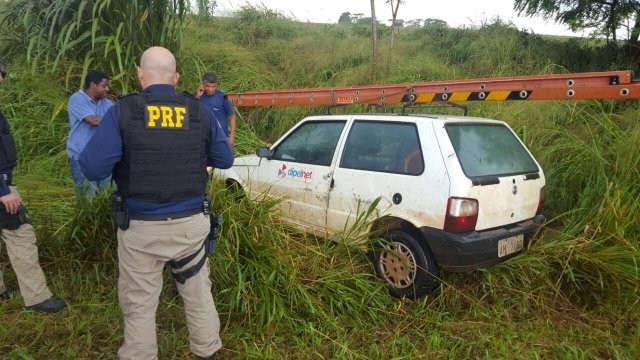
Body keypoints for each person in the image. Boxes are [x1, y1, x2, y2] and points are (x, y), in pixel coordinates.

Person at [79, 46, 234, 360]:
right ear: (177, 78)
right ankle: (208, 353)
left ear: (139, 74)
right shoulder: (198, 110)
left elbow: (93, 168)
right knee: (199, 296)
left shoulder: (123, 111)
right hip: (191, 228)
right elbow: (225, 158)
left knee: (139, 303)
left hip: (140, 232)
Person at [0, 60, 66, 313]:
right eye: (0, 73)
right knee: (21, 235)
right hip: (2, 187)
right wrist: (4, 192)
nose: (3, 78)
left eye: (4, 73)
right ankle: (37, 298)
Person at [67, 69, 113, 203]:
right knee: (87, 199)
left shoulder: (106, 103)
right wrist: (113, 120)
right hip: (82, 157)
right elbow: (94, 121)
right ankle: (84, 224)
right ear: (93, 85)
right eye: (104, 86)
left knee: (106, 196)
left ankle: (102, 224)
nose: (107, 89)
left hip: (103, 157)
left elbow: (119, 119)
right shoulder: (77, 99)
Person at [196, 72, 237, 146]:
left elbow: (232, 115)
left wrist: (232, 137)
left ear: (217, 85)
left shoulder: (223, 96)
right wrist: (198, 96)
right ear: (203, 85)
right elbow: (193, 112)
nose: (211, 89)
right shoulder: (198, 96)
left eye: (213, 86)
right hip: (204, 138)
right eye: (208, 86)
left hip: (221, 138)